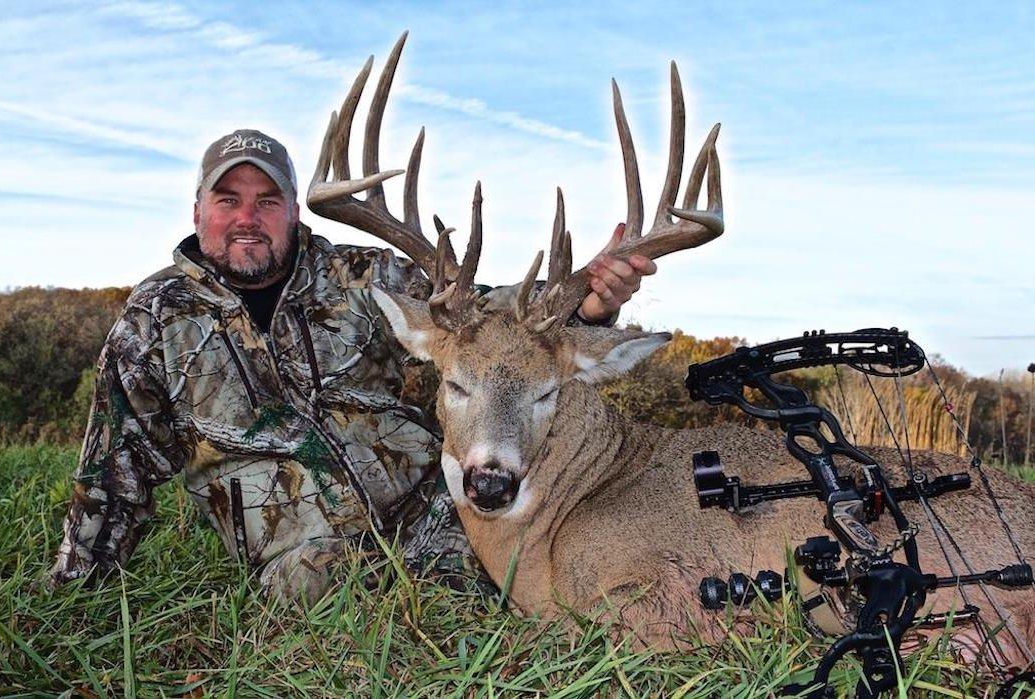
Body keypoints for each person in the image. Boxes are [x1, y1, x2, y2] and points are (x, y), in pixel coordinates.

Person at [49, 129, 656, 603]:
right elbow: (113, 470)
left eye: (267, 201)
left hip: (434, 508)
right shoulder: (156, 318)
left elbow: (483, 321)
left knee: (534, 587)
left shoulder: (360, 278)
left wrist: (587, 302)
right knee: (326, 601)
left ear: (294, 211)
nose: (247, 218)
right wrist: (76, 590)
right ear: (197, 211)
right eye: (227, 200)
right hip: (299, 547)